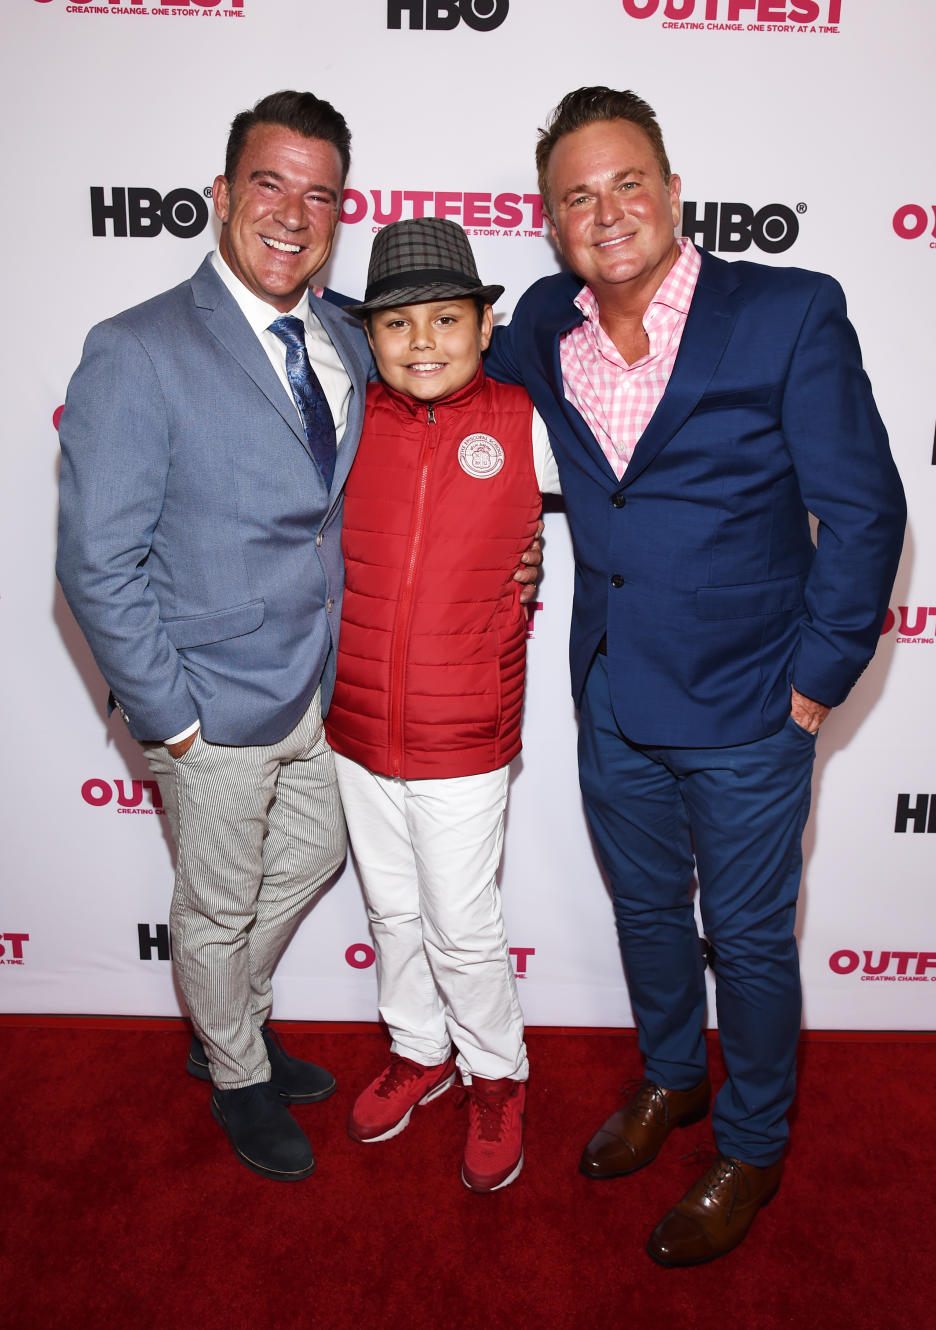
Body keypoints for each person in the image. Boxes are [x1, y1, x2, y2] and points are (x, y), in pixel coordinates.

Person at [55, 91, 541, 1185]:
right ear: (222, 194)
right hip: (208, 704)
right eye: (269, 183)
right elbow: (94, 560)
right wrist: (171, 720)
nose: (293, 211)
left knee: (319, 863)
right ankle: (235, 1070)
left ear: (339, 211)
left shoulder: (343, 334)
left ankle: (226, 1010)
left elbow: (429, 464)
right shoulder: (137, 348)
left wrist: (520, 547)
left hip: (327, 693)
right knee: (218, 903)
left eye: (319, 192)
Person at [484, 87, 906, 1262]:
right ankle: (675, 1079)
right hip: (612, 688)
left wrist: (817, 678)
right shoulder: (539, 324)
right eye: (577, 194)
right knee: (645, 913)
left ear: (674, 193)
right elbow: (435, 345)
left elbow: (866, 512)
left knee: (754, 941)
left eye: (628, 184)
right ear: (553, 218)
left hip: (752, 703)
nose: (606, 211)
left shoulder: (789, 311)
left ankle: (755, 1143)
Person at [324, 218, 561, 1193]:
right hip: (356, 727)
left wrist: (530, 581)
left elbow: (642, 514)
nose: (422, 343)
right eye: (398, 325)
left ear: (484, 323)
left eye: (446, 320)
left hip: (467, 730)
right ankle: (419, 1048)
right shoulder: (346, 421)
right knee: (392, 909)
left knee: (463, 925)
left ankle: (496, 1074)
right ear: (369, 337)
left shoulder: (523, 420)